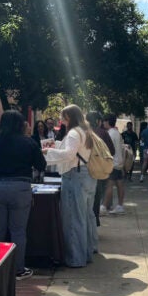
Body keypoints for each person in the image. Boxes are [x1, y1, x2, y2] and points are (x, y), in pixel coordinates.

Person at [0, 110, 46, 280]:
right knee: (18, 230)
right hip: (21, 187)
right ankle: (18, 269)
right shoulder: (28, 143)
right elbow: (41, 165)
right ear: (21, 124)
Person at [43, 105, 97, 267]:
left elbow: (69, 154)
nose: (61, 120)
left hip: (74, 174)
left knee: (73, 218)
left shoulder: (74, 132)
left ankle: (75, 258)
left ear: (70, 117)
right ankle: (85, 253)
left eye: (63, 117)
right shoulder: (85, 131)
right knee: (84, 216)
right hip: (86, 174)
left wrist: (47, 152)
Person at [87, 111, 115, 224]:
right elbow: (111, 151)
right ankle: (94, 222)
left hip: (83, 170)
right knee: (96, 197)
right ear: (98, 121)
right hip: (97, 170)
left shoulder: (82, 133)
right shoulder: (103, 133)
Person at [102, 114, 127, 215]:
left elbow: (107, 150)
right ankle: (120, 205)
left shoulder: (110, 134)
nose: (103, 123)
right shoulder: (117, 133)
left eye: (104, 121)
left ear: (107, 122)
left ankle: (104, 206)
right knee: (119, 184)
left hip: (112, 163)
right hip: (119, 162)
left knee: (109, 185)